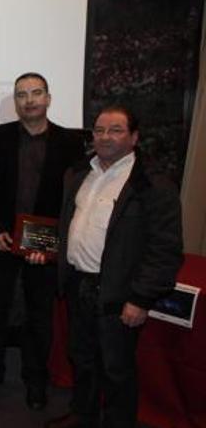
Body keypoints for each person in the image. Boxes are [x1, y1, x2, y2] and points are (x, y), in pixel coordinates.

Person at [44, 105, 182, 428]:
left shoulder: (153, 185)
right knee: (82, 360)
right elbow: (69, 226)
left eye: (116, 130)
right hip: (79, 285)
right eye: (100, 130)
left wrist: (141, 298)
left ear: (134, 137)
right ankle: (84, 416)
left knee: (116, 369)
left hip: (119, 294)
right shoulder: (79, 173)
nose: (105, 137)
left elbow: (165, 249)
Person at [0, 73, 84, 411]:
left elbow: (74, 199)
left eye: (36, 93)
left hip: (44, 247)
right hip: (2, 241)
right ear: (15, 101)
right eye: (22, 95)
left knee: (38, 315)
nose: (29, 100)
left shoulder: (69, 143)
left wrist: (54, 243)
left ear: (48, 98)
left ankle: (35, 379)